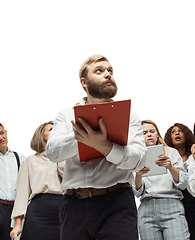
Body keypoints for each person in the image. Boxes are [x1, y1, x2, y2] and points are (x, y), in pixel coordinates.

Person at [46, 54, 147, 240]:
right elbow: (52, 152)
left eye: (110, 71)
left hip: (117, 203)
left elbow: (139, 160)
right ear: (84, 82)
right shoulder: (66, 115)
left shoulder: (129, 116)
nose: (108, 74)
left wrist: (107, 147)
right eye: (99, 71)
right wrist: (83, 137)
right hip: (73, 205)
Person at [133, 120, 190, 240]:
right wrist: (138, 175)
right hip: (146, 208)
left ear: (157, 134)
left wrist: (170, 167)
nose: (149, 134)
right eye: (144, 133)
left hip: (171, 205)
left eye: (152, 131)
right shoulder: (136, 157)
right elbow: (136, 192)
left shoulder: (172, 152)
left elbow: (184, 183)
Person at [10, 121, 64, 240]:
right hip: (39, 210)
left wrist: (61, 154)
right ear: (41, 135)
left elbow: (68, 178)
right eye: (51, 129)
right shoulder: (30, 161)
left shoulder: (66, 158)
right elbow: (22, 194)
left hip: (64, 209)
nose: (56, 131)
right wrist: (17, 225)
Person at [164, 123, 195, 240]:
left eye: (180, 131)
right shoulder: (165, 158)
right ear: (169, 138)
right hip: (176, 203)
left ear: (186, 135)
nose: (177, 133)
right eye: (173, 132)